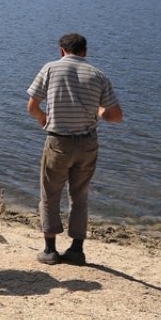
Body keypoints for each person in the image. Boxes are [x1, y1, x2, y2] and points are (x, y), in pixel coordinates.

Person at [26, 32, 123, 266]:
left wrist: (43, 119)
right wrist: (99, 111)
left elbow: (32, 106)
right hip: (88, 143)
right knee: (80, 196)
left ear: (61, 51)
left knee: (50, 194)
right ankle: (77, 250)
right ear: (85, 52)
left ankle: (50, 250)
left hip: (58, 142)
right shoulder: (98, 75)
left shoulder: (50, 68)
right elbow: (116, 116)